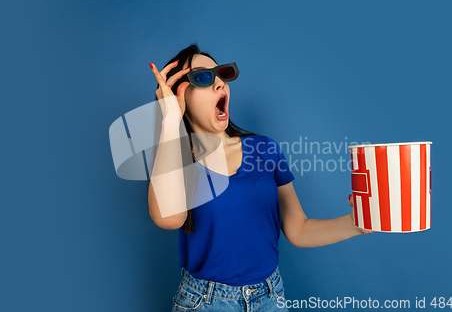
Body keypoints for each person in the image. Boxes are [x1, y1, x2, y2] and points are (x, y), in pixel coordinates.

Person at [148, 43, 372, 312]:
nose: (219, 83)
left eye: (221, 74)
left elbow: (298, 229)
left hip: (270, 298)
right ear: (178, 94)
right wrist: (171, 120)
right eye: (203, 77)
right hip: (205, 303)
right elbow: (168, 218)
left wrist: (357, 223)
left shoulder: (265, 149)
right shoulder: (176, 163)